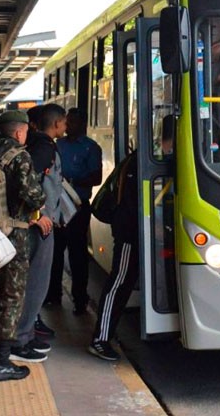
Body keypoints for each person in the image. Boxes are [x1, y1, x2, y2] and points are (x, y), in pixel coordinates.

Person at [0, 110, 45, 381]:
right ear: (19, 132)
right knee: (12, 297)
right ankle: (2, 362)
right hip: (15, 236)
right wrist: (41, 199)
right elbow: (33, 195)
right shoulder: (20, 156)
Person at [11, 103, 67, 362]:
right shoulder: (44, 148)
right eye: (64, 122)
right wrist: (39, 215)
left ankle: (22, 334)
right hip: (37, 226)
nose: (65, 127)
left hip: (32, 223)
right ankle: (20, 339)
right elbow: (29, 181)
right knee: (35, 284)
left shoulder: (36, 144)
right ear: (56, 124)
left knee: (30, 282)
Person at [50, 108, 102, 314]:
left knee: (78, 255)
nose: (68, 125)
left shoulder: (91, 148)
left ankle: (80, 298)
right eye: (66, 121)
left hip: (78, 206)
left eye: (72, 122)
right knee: (55, 252)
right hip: (57, 204)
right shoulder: (57, 145)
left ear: (82, 124)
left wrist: (71, 181)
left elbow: (96, 177)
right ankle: (53, 295)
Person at [88, 150, 139, 361]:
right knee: (119, 282)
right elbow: (131, 203)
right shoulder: (138, 163)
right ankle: (100, 339)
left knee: (123, 282)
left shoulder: (139, 158)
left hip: (135, 231)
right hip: (129, 233)